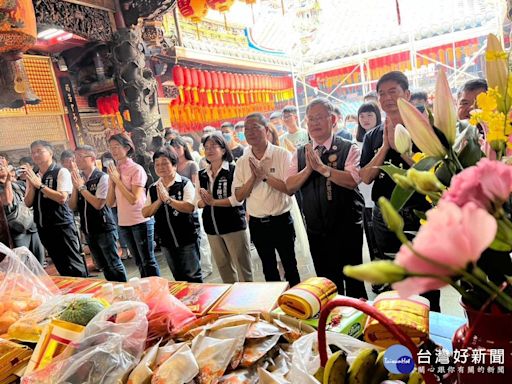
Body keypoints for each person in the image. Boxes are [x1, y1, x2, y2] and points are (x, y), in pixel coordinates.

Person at [359, 71, 440, 311]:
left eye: (392, 91)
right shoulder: (372, 136)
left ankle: (430, 329)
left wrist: (403, 152)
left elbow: (436, 176)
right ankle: (402, 328)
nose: (386, 98)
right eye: (381, 94)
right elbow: (365, 177)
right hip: (385, 216)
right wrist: (385, 147)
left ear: (407, 94)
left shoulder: (424, 129)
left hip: (419, 213)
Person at [286, 98, 366, 297]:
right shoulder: (300, 153)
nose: (314, 123)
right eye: (310, 119)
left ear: (333, 120)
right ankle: (333, 323)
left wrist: (323, 169)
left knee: (354, 279)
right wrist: (308, 170)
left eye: (319, 118)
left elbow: (352, 180)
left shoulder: (349, 147)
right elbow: (289, 186)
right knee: (327, 283)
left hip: (347, 227)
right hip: (317, 230)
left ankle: (359, 322)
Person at [234, 113, 300, 287]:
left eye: (255, 127)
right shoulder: (242, 162)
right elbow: (239, 196)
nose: (250, 132)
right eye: (246, 129)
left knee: (290, 266)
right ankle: (275, 308)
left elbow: (289, 189)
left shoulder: (282, 155)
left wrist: (264, 176)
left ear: (266, 129)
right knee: (268, 269)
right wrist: (253, 179)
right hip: (257, 224)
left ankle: (300, 307)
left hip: (281, 221)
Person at [23, 140, 88, 277]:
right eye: (33, 152)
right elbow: (28, 203)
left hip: (62, 225)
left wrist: (40, 185)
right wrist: (33, 184)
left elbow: (62, 197)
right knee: (60, 265)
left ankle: (87, 293)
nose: (35, 155)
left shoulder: (60, 171)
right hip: (44, 227)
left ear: (50, 153)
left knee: (73, 264)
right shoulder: (34, 175)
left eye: (39, 151)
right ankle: (72, 296)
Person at [198, 134, 253, 283]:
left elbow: (237, 200)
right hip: (212, 228)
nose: (209, 150)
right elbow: (198, 203)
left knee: (243, 268)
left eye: (213, 146)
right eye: (206, 147)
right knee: (223, 268)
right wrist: (203, 201)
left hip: (233, 225)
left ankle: (250, 302)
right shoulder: (202, 174)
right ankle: (232, 302)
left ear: (223, 150)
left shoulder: (233, 170)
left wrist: (213, 201)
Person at [68, 145, 128, 282]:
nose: (77, 160)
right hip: (88, 229)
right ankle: (114, 291)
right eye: (75, 157)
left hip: (104, 227)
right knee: (103, 265)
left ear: (93, 159)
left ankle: (124, 289)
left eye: (80, 156)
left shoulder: (102, 177)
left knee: (113, 263)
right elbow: (71, 206)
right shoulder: (79, 178)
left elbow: (98, 204)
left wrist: (82, 188)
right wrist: (76, 187)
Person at [143, 148, 202, 282]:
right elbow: (145, 212)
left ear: (174, 165)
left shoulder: (184, 183)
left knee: (193, 276)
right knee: (178, 278)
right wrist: (159, 200)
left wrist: (169, 200)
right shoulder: (153, 188)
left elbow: (190, 207)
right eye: (157, 164)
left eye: (165, 163)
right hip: (166, 240)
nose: (160, 167)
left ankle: (198, 303)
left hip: (187, 238)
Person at [106, 133, 160, 277]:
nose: (114, 150)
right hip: (124, 222)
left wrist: (117, 181)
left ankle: (157, 291)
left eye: (117, 146)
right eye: (111, 147)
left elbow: (134, 199)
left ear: (127, 147)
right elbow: (110, 202)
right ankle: (147, 290)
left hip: (140, 219)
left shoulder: (136, 169)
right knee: (138, 261)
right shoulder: (114, 170)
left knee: (148, 260)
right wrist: (112, 182)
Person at [170, 136, 213, 277]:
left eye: (178, 147)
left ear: (184, 148)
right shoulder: (173, 165)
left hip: (192, 201)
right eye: (173, 148)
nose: (176, 150)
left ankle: (206, 266)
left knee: (201, 236)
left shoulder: (191, 164)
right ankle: (197, 265)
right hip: (179, 204)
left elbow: (195, 184)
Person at [0, 163, 45, 264]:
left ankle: (39, 279)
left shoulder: (19, 184)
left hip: (32, 226)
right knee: (22, 263)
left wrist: (29, 177)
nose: (1, 168)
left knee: (39, 260)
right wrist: (7, 181)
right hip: (16, 230)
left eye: (3, 165)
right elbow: (7, 201)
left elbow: (28, 200)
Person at [355, 102, 382, 266]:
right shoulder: (355, 143)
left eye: (370, 115)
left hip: (380, 195)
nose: (365, 119)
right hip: (365, 197)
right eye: (362, 116)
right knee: (371, 239)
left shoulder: (383, 138)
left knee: (384, 239)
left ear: (377, 117)